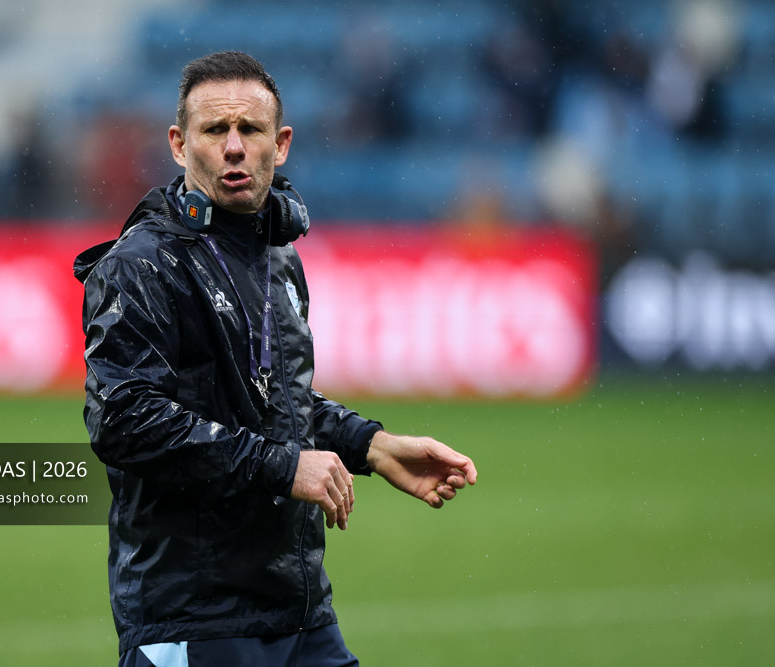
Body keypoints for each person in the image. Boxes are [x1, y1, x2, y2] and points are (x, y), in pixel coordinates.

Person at [74, 51, 478, 667]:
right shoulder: (140, 265)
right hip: (195, 616)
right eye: (215, 131)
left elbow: (276, 401)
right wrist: (280, 467)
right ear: (180, 145)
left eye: (251, 130)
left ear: (280, 144)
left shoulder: (279, 259)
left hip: (300, 611)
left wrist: (371, 445)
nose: (234, 147)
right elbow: (124, 421)